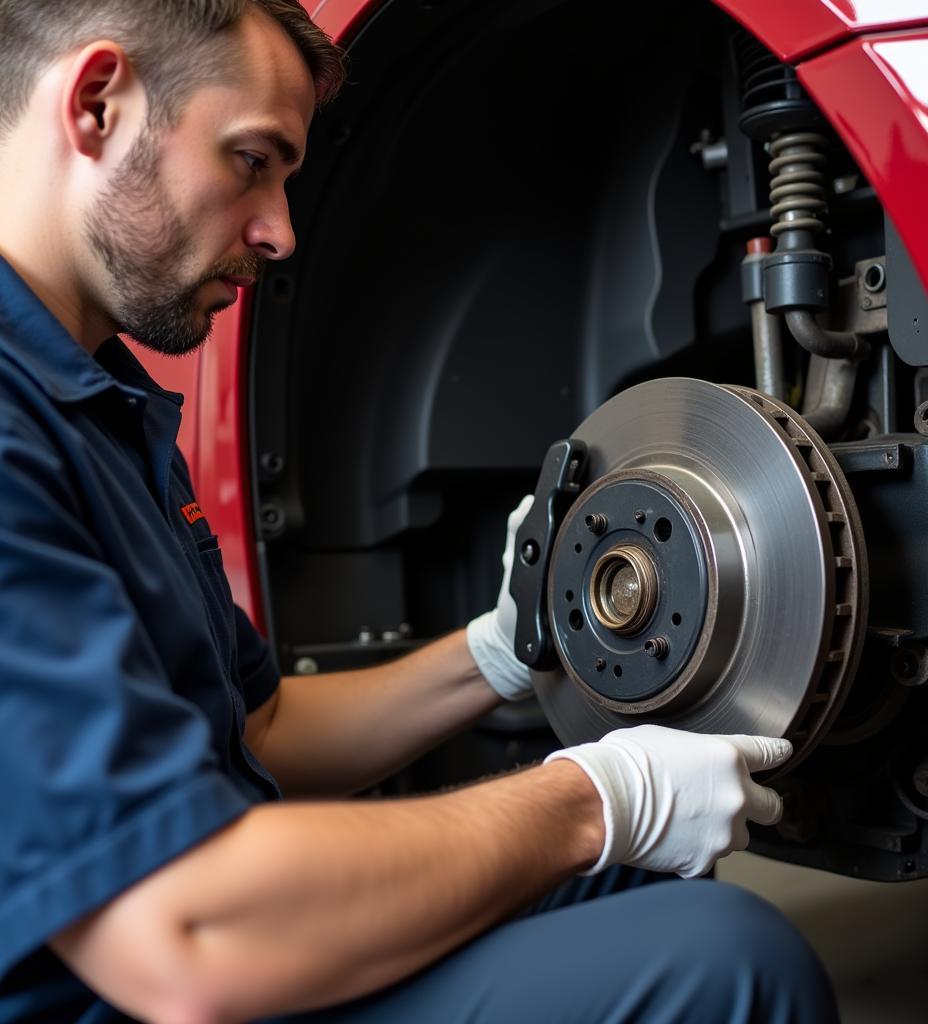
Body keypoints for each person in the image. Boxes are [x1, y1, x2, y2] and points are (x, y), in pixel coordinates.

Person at [0, 2, 839, 1021]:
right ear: (96, 103)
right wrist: (592, 800)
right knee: (728, 962)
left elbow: (255, 727)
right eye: (251, 160)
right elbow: (184, 937)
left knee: (643, 878)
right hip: (146, 976)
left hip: (189, 939)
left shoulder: (90, 397)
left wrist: (491, 653)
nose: (279, 231)